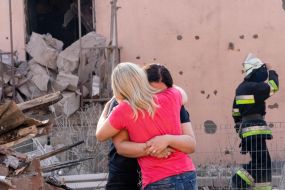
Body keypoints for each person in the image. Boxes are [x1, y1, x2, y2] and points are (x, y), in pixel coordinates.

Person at [96, 62, 196, 190]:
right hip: (187, 174)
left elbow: (100, 135)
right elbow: (183, 95)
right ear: (141, 79)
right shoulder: (173, 96)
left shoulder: (123, 109)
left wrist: (105, 110)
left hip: (157, 179)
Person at [231, 53, 279, 189]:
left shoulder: (241, 88)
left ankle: (262, 187)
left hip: (248, 130)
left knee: (263, 163)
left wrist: (239, 127)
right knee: (260, 163)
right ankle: (237, 181)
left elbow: (235, 111)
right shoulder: (255, 87)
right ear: (256, 71)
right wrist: (272, 71)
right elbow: (273, 86)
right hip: (255, 129)